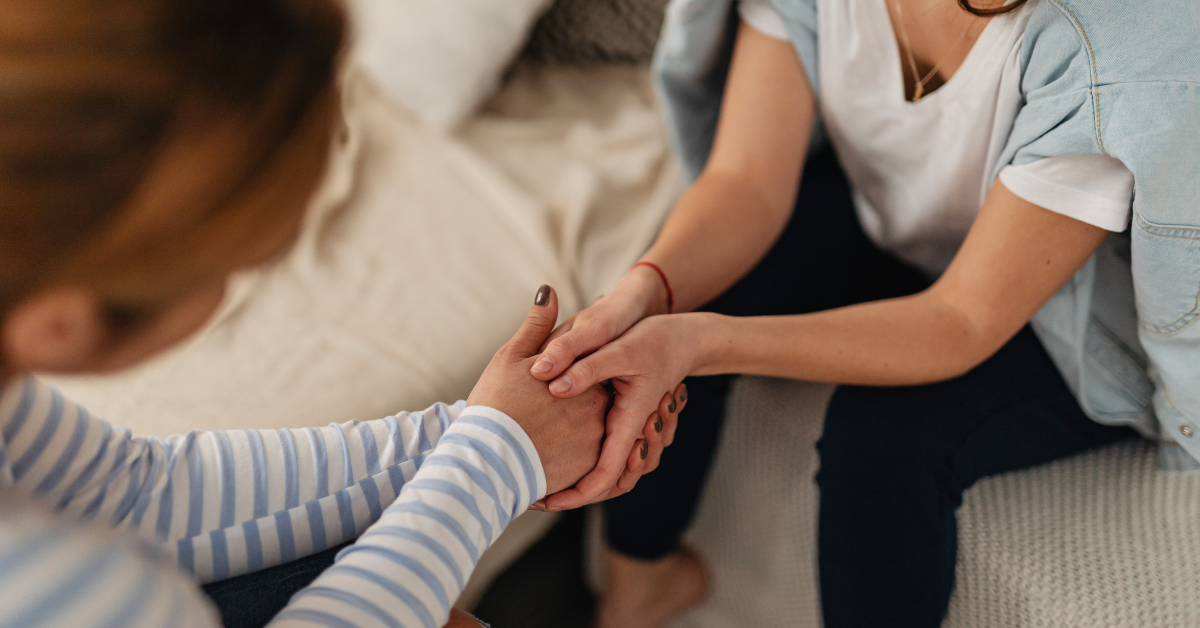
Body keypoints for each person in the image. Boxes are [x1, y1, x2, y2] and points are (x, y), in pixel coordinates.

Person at [0, 1, 685, 627]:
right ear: (60, 325)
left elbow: (129, 491)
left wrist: (481, 429)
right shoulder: (59, 581)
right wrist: (496, 459)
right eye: (228, 267)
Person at [525, 0, 1200, 626]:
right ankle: (638, 584)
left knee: (881, 442)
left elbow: (962, 319)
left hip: (1058, 307)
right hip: (894, 223)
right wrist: (643, 294)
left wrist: (700, 343)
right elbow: (744, 183)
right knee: (673, 298)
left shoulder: (1110, 56)